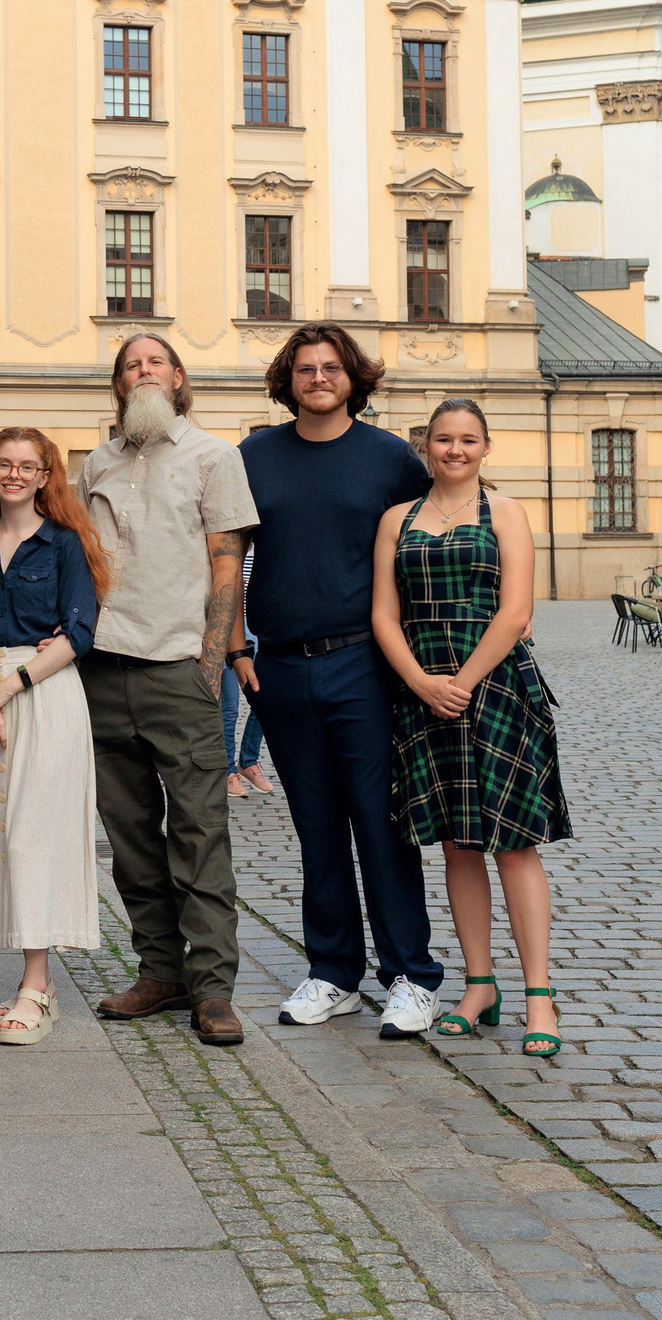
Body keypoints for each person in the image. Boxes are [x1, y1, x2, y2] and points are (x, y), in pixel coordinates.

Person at [233, 324, 445, 1037]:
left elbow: (432, 542)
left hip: (364, 663)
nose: (317, 377)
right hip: (281, 665)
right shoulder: (256, 455)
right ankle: (332, 972)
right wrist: (234, 648)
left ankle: (412, 975)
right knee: (316, 827)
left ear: (353, 377)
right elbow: (225, 553)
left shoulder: (390, 459)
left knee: (382, 825)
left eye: (330, 367)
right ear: (286, 380)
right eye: (304, 369)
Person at [372, 397, 568, 1060]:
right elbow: (383, 616)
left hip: (498, 689)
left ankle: (539, 993)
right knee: (457, 844)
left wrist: (464, 680)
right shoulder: (397, 519)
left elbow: (516, 611)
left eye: (467, 439)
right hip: (422, 692)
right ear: (425, 445)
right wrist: (424, 682)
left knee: (513, 844)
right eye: (443, 439)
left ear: (486, 446)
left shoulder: (507, 512)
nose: (454, 449)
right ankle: (479, 984)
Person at [79, 333, 258, 1048]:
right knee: (129, 839)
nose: (143, 371)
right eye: (131, 364)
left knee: (198, 833)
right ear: (119, 382)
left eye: (156, 362)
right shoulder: (96, 461)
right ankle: (160, 969)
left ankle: (213, 987)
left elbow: (227, 568)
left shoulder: (215, 456)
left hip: (180, 668)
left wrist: (209, 668)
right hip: (104, 668)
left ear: (178, 378)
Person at [0, 428, 112, 1046]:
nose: (14, 474)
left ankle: (36, 986)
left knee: (36, 835)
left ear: (45, 477)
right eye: (4, 464)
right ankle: (35, 985)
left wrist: (8, 689)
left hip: (44, 695)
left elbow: (81, 631)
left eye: (27, 466)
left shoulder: (63, 545)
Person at [220, 553, 273, 800]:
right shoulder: (231, 541)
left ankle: (248, 761)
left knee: (264, 698)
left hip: (260, 625)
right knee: (230, 708)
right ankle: (229, 770)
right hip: (229, 624)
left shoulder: (263, 537)